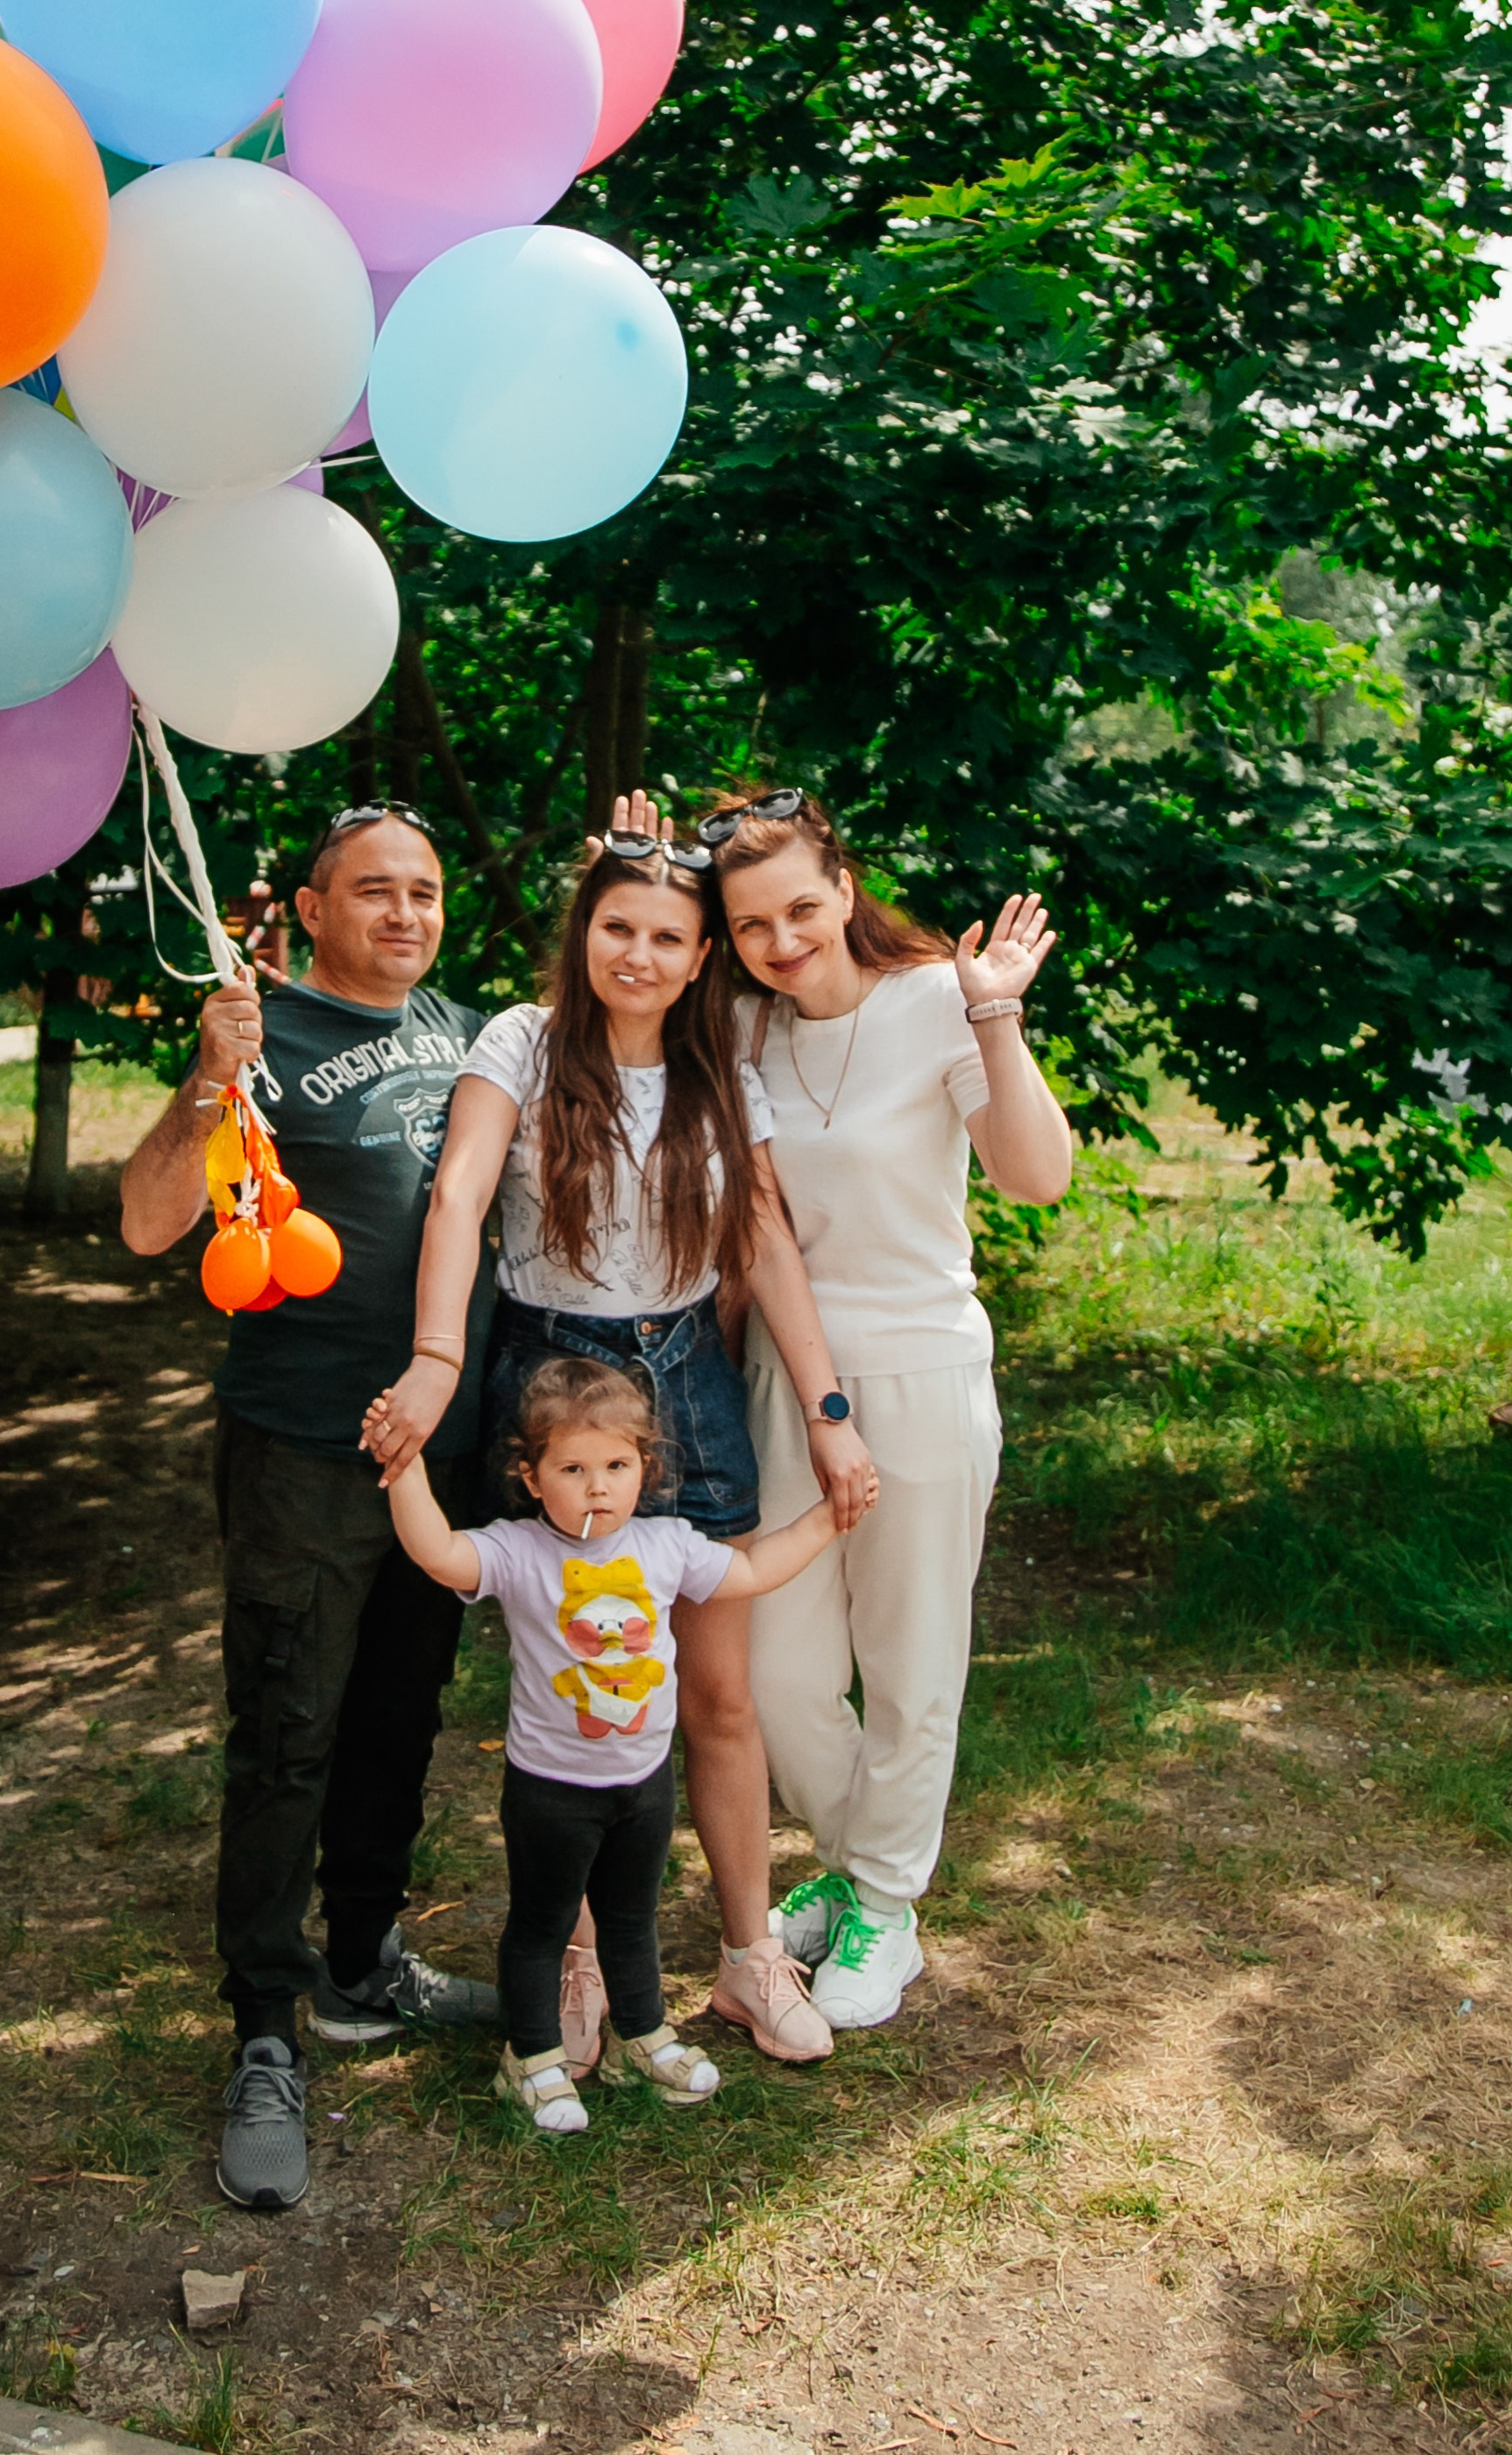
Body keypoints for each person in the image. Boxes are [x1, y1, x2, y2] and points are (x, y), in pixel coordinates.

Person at [368, 835, 865, 2071]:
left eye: (667, 937)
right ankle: (579, 1957)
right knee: (583, 1692)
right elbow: (460, 1199)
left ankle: (750, 1958)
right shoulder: (520, 1045)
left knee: (718, 1695)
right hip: (551, 1381)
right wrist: (437, 1358)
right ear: (583, 929)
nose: (637, 956)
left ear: (703, 959)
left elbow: (765, 1245)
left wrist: (827, 1407)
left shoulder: (716, 1073)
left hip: (688, 1384)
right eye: (616, 927)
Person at [119, 803, 500, 2214]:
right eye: (375, 893)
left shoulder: (466, 1027)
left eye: (426, 889)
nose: (406, 915)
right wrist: (208, 1086)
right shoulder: (259, 1032)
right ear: (311, 909)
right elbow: (151, 1223)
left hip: (439, 1453)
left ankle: (360, 1966)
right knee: (289, 1727)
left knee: (401, 1716)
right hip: (302, 1448)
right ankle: (266, 2029)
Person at [700, 784, 1073, 2032]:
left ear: (845, 888)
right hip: (789, 1380)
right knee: (779, 1666)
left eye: (800, 907)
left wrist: (997, 1018)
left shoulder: (935, 1004)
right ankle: (877, 1880)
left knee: (911, 1662)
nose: (782, 940)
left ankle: (880, 1908)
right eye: (751, 924)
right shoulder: (742, 1033)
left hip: (919, 1367)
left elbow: (1036, 1176)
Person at [369, 1352, 871, 2133]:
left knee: (633, 1923)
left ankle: (642, 2036)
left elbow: (752, 1572)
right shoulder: (518, 1550)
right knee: (542, 1929)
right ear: (532, 1479)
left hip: (642, 1784)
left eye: (615, 1464)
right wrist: (403, 1466)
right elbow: (438, 1553)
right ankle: (531, 2061)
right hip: (549, 1790)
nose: (597, 1485)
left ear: (645, 1467)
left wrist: (823, 1518)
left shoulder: (666, 1545)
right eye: (571, 1467)